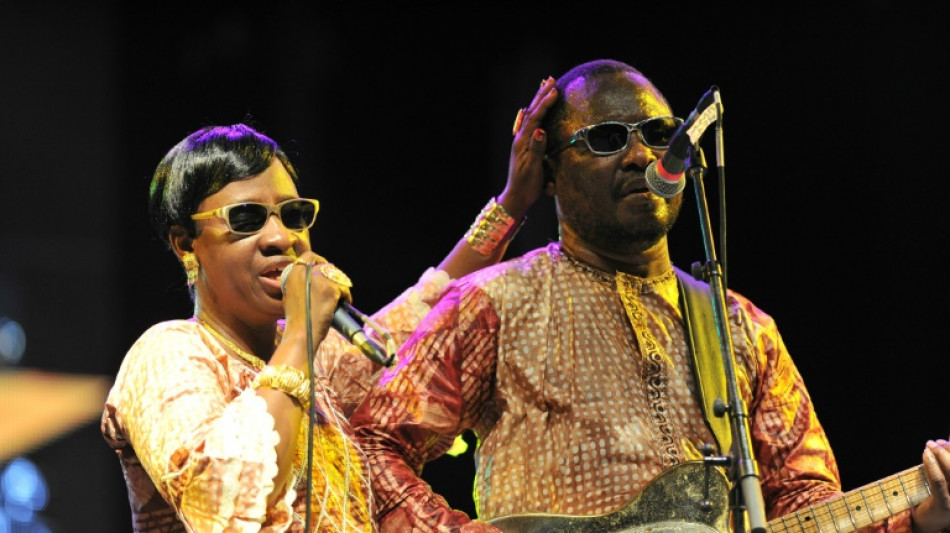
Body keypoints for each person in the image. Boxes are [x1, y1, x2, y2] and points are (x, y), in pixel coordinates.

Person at [350, 59, 950, 533]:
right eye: (607, 138)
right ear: (550, 171)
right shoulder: (493, 303)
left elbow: (802, 502)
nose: (641, 155)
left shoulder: (742, 328)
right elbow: (372, 447)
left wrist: (917, 516)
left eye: (660, 135)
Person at [100, 90, 556, 533]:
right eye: (247, 219)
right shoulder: (167, 355)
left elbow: (426, 310)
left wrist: (513, 201)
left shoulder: (316, 364)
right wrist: (301, 334)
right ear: (185, 245)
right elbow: (223, 503)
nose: (281, 238)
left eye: (293, 215)